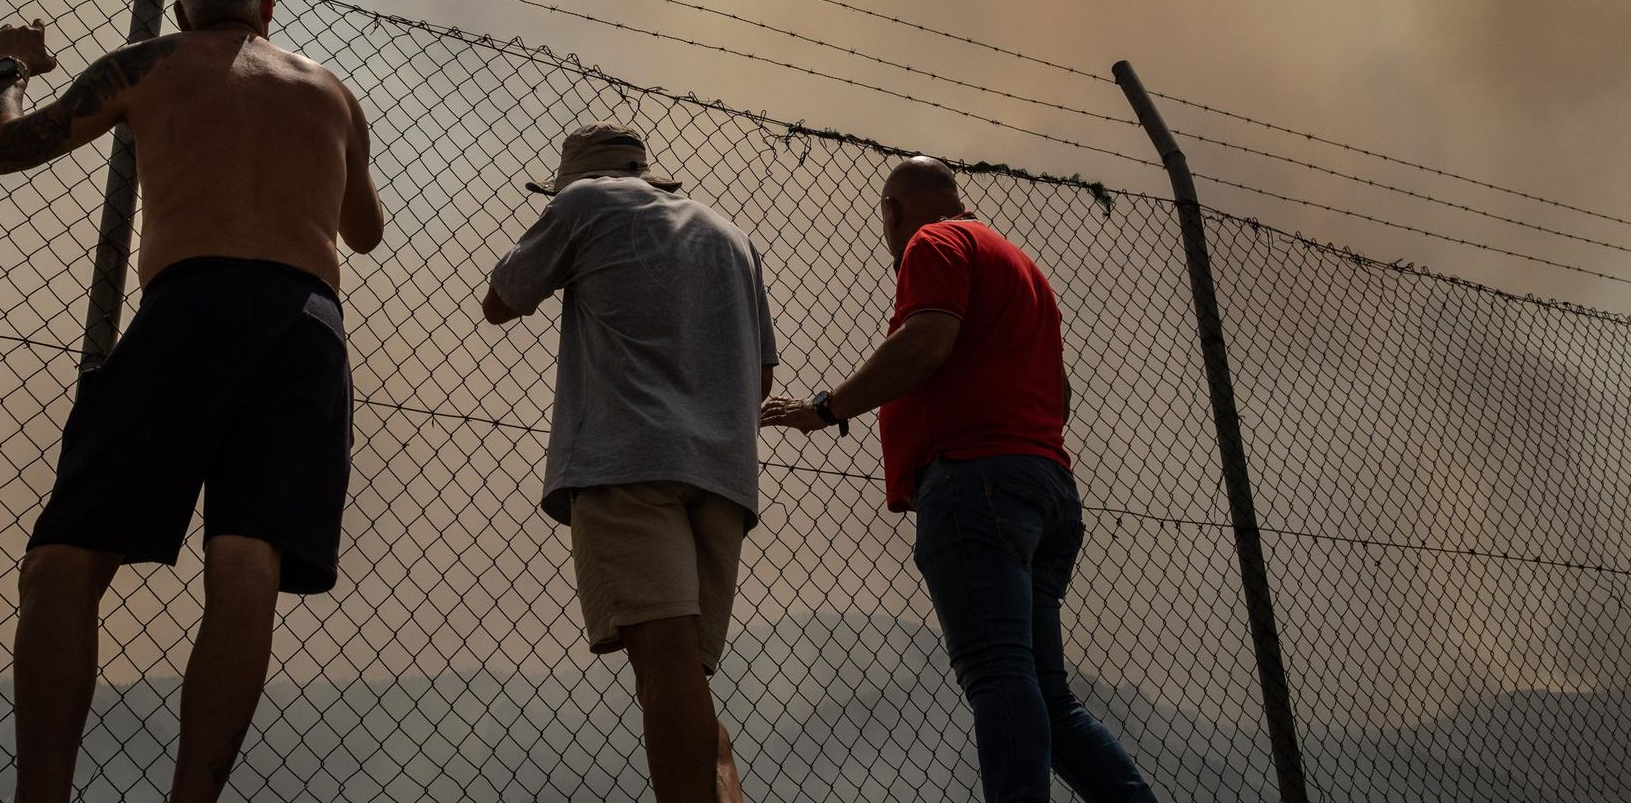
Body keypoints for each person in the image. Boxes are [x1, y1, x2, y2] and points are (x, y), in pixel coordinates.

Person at [0, 0, 383, 803]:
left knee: (66, 559)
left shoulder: (148, 63)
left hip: (190, 307)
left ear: (181, 5)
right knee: (245, 563)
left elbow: (3, 152)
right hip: (308, 324)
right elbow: (366, 230)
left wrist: (8, 70)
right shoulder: (332, 90)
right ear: (268, 5)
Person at [761, 156, 1158, 803]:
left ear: (892, 210)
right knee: (1047, 697)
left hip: (978, 486)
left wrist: (823, 408)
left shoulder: (934, 241)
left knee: (999, 674)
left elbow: (925, 344)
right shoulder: (1021, 266)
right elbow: (1058, 393)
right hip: (1047, 486)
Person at [480, 124, 776, 803]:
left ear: (576, 179)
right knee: (681, 673)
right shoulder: (729, 235)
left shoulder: (582, 206)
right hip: (723, 475)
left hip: (628, 460)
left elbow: (500, 300)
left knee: (662, 664)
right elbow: (760, 378)